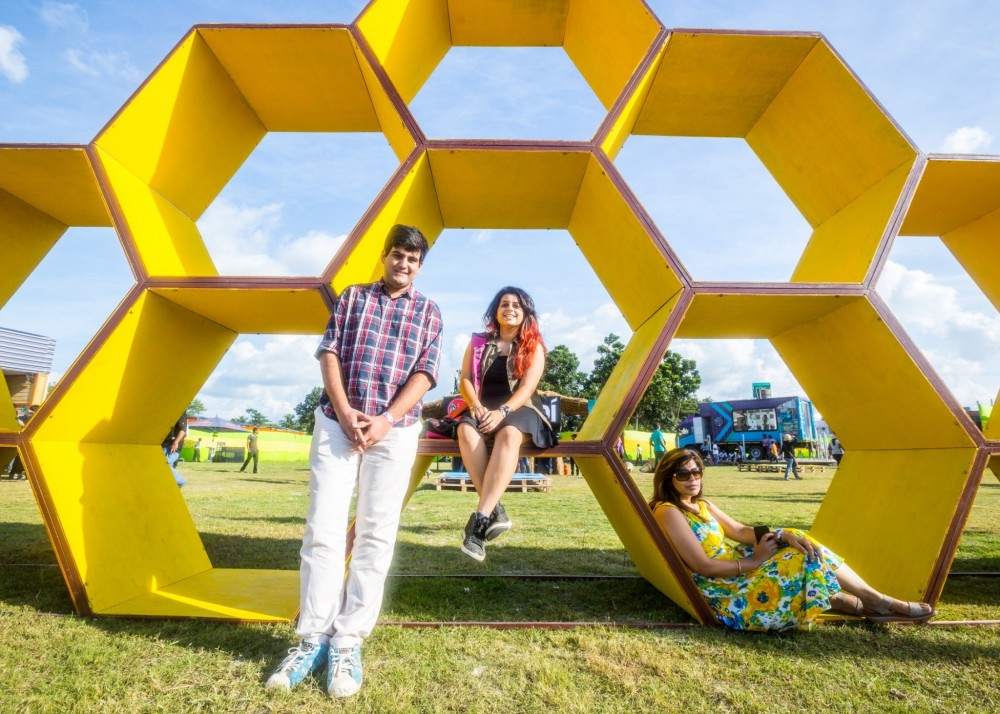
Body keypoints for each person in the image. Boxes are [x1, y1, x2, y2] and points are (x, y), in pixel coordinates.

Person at [265, 224, 442, 698]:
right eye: (398, 255)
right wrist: (345, 413)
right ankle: (311, 638)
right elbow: (329, 353)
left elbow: (426, 375)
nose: (404, 264)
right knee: (323, 529)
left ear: (420, 266)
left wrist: (384, 420)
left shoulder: (429, 311)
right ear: (384, 256)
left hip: (394, 431)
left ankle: (347, 640)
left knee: (375, 534)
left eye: (413, 259)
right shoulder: (353, 298)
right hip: (336, 423)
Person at [649, 448, 934, 631]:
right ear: (667, 478)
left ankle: (864, 602)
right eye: (683, 473)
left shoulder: (703, 505)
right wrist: (755, 560)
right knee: (798, 555)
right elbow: (703, 567)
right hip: (724, 590)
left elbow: (739, 531)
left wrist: (783, 534)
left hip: (739, 575)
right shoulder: (668, 511)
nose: (692, 478)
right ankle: (873, 602)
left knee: (797, 538)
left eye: (696, 471)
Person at [456, 286, 556, 562]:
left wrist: (502, 412)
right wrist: (476, 407)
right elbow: (464, 378)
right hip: (482, 405)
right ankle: (495, 508)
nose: (510, 308)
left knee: (510, 434)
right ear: (495, 311)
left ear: (525, 313)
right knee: (465, 429)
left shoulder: (533, 345)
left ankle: (478, 524)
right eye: (504, 304)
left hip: (521, 408)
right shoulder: (478, 342)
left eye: (516, 305)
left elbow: (528, 388)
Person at [161, 414, 188, 487]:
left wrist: (176, 442)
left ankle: (180, 481)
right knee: (165, 467)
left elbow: (183, 430)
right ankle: (171, 486)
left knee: (165, 465)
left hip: (172, 446)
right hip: (165, 444)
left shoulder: (181, 413)